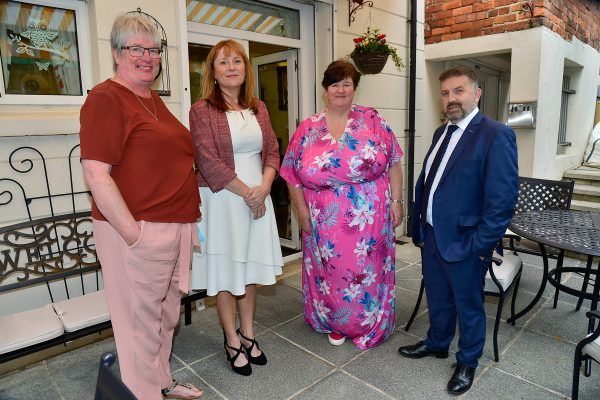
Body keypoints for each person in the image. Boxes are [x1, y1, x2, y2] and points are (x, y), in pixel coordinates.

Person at [80, 14, 203, 400]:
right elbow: (96, 175)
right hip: (138, 229)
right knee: (138, 325)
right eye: (137, 48)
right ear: (117, 53)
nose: (147, 57)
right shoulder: (106, 98)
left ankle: (160, 381)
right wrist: (135, 236)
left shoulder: (152, 99)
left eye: (153, 50)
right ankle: (142, 393)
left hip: (173, 226)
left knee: (164, 317)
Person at [398, 67, 518, 395]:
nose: (451, 98)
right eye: (445, 93)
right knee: (438, 296)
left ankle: (467, 360)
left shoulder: (495, 135)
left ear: (476, 94)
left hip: (466, 242)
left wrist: (480, 246)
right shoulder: (442, 132)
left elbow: (502, 202)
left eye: (459, 91)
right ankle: (437, 343)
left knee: (468, 305)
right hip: (432, 235)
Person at [280, 60, 403, 349]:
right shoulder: (307, 128)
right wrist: (301, 210)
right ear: (325, 89)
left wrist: (397, 201)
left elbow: (394, 162)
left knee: (365, 272)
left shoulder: (373, 121)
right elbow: (290, 173)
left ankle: (366, 323)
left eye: (347, 83)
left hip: (369, 217)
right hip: (323, 219)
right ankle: (335, 321)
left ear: (354, 88)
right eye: (335, 84)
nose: (341, 89)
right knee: (331, 273)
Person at [189, 40, 283, 376]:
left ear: (246, 68)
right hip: (224, 200)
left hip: (257, 196)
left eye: (237, 61)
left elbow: (272, 151)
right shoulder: (201, 111)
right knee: (227, 272)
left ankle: (248, 333)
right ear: (213, 72)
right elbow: (207, 161)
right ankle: (231, 339)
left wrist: (265, 187)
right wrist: (248, 194)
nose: (231, 67)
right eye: (223, 62)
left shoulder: (259, 108)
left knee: (250, 269)